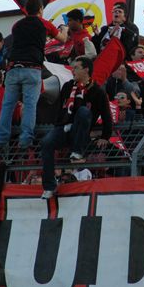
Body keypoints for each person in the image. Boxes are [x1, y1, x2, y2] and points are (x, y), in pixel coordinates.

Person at [0, 0, 68, 151]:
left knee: (7, 105)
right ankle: (25, 139)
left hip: (13, 68)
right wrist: (64, 29)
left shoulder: (16, 25)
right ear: (40, 10)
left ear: (27, 10)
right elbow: (63, 39)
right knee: (29, 105)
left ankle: (0, 139)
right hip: (32, 68)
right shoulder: (44, 24)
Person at [40, 56, 112, 199]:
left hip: (80, 132)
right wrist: (57, 125)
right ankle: (49, 186)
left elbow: (106, 115)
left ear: (86, 70)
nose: (73, 71)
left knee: (84, 111)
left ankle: (77, 152)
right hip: (63, 128)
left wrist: (105, 136)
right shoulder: (67, 86)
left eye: (76, 68)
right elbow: (59, 109)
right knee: (46, 143)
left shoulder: (97, 91)